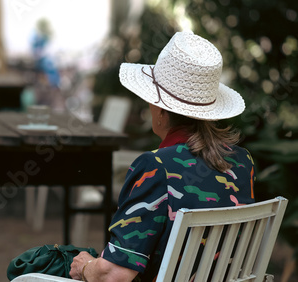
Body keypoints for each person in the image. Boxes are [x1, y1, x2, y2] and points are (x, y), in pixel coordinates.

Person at [69, 31, 255, 281]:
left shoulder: (156, 167)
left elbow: (113, 274)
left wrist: (85, 266)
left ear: (160, 110)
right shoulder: (243, 162)